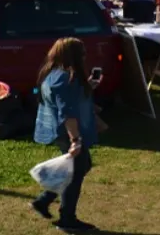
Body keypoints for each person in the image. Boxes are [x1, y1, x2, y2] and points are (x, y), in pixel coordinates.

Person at [31, 38, 99, 232]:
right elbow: (66, 111)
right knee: (75, 173)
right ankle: (67, 219)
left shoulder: (52, 74)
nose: (85, 55)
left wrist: (89, 87)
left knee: (82, 166)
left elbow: (69, 100)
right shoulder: (65, 78)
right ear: (74, 55)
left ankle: (44, 201)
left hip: (61, 130)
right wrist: (75, 140)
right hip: (66, 132)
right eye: (82, 52)